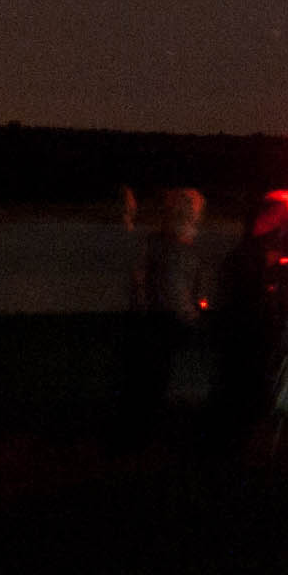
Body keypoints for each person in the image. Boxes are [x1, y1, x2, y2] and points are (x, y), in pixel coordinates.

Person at [198, 189, 288, 460]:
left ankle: (246, 429)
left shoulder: (282, 241)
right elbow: (242, 279)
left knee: (262, 375)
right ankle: (234, 435)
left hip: (271, 318)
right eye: (286, 212)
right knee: (244, 376)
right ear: (272, 213)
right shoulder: (254, 245)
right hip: (250, 320)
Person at [108, 185, 208, 448]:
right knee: (154, 378)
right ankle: (144, 432)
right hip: (163, 321)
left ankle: (141, 429)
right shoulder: (171, 248)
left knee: (151, 378)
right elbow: (171, 288)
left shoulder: (161, 246)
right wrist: (192, 315)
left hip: (157, 320)